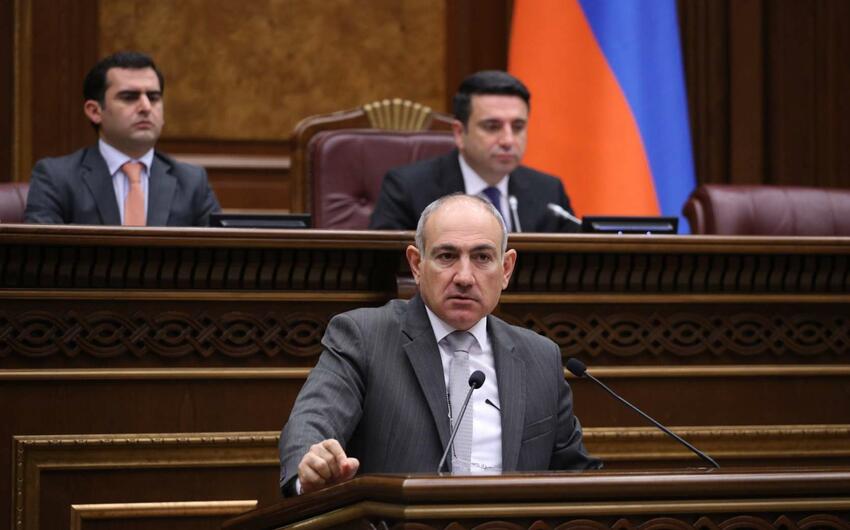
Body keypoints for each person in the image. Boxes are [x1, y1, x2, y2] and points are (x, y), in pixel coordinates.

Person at [280, 194, 599, 496]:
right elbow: (312, 423)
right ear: (417, 264)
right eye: (447, 256)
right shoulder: (365, 337)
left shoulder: (540, 356)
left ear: (505, 269)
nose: (464, 277)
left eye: (482, 257)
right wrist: (311, 467)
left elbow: (577, 476)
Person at [368, 70, 578, 233]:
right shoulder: (407, 188)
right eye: (492, 127)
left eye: (518, 127)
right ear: (460, 133)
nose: (508, 140)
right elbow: (385, 266)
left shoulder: (549, 192)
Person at [24, 51, 219, 226]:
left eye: (153, 97)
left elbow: (218, 251)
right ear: (94, 111)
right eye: (129, 97)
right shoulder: (57, 178)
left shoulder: (191, 182)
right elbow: (42, 251)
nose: (146, 107)